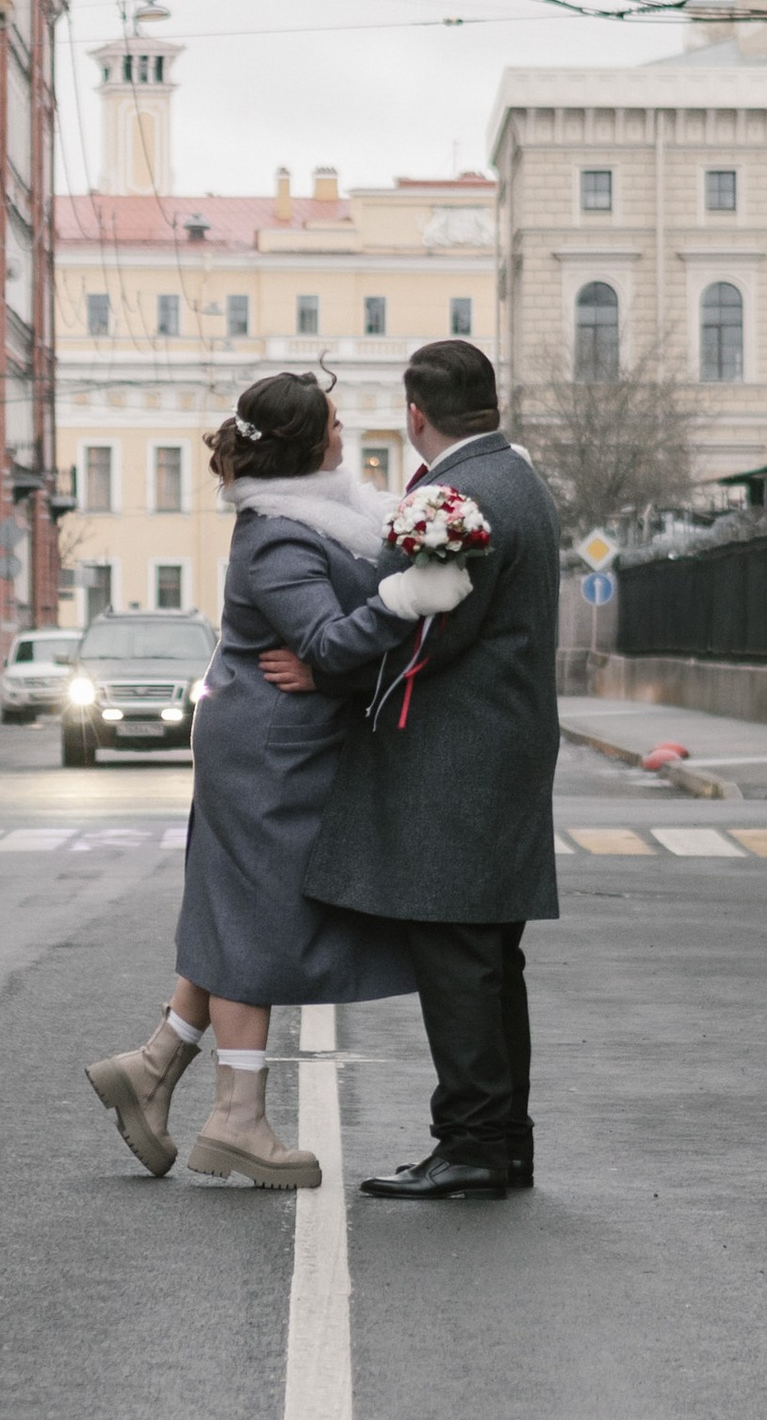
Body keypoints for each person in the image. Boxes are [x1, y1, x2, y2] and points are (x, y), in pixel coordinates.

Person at [83, 368, 462, 1190]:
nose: (342, 429)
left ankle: (154, 1068)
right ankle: (237, 1119)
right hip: (269, 749)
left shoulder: (323, 514)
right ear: (305, 444)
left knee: (236, 905)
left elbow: (325, 653)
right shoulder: (280, 534)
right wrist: (409, 597)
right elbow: (324, 642)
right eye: (332, 421)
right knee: (257, 916)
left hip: (282, 739)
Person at [298, 337, 562, 1202]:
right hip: (503, 745)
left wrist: (331, 661)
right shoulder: (516, 477)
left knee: (456, 956)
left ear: (417, 415)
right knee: (489, 958)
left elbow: (430, 630)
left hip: (458, 754)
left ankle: (474, 1142)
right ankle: (502, 1140)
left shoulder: (461, 495)